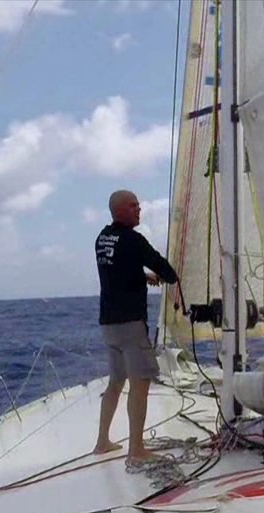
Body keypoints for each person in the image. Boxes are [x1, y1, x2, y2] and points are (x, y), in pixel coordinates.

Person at [93, 189, 178, 463]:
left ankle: (102, 442)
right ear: (118, 210)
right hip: (131, 324)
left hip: (109, 324)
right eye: (133, 206)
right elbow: (167, 272)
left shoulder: (103, 238)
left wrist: (141, 277)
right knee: (140, 384)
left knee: (116, 382)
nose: (139, 210)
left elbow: (117, 269)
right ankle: (137, 451)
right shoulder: (134, 240)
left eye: (138, 205)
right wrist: (162, 276)